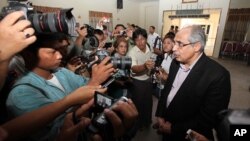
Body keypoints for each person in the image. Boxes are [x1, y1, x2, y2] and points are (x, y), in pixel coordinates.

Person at [154, 25, 231, 141]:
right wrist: (160, 114)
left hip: (189, 134)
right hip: (166, 122)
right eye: (174, 43)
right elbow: (167, 90)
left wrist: (173, 129)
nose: (174, 48)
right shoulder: (175, 62)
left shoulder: (218, 76)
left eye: (180, 44)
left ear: (196, 46)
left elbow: (208, 119)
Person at [127, 28, 155, 130]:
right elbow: (134, 68)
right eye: (137, 40)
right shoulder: (132, 52)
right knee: (138, 104)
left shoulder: (149, 47)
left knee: (148, 103)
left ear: (146, 39)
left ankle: (147, 122)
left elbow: (152, 59)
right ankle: (138, 125)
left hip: (148, 80)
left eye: (142, 39)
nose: (140, 42)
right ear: (134, 41)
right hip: (137, 82)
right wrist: (144, 66)